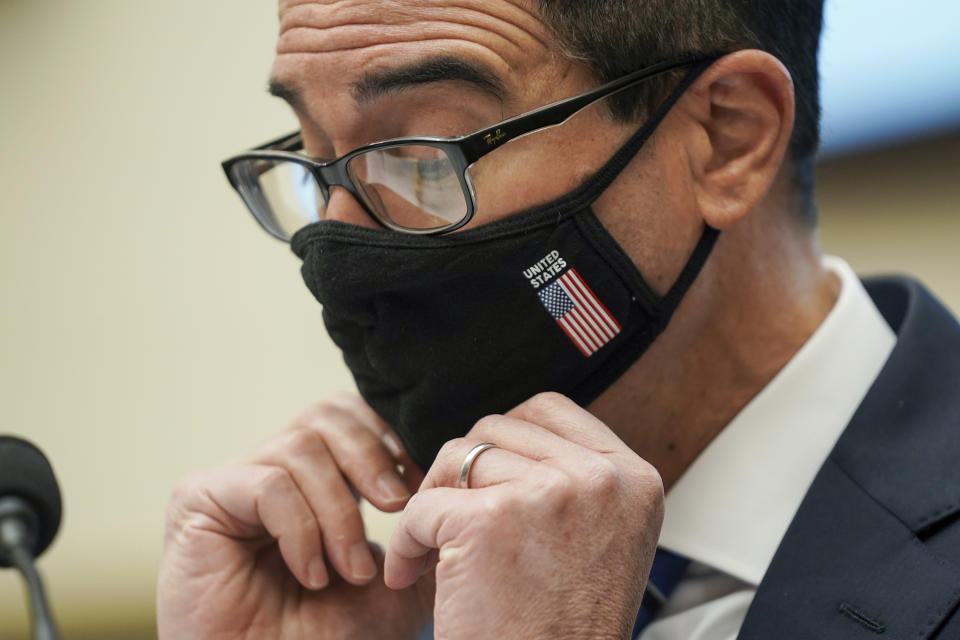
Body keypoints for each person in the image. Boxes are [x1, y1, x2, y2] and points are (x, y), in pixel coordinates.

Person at [157, 1, 960, 638]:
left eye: (417, 153)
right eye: (308, 154)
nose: (336, 246)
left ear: (727, 137)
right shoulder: (396, 590)